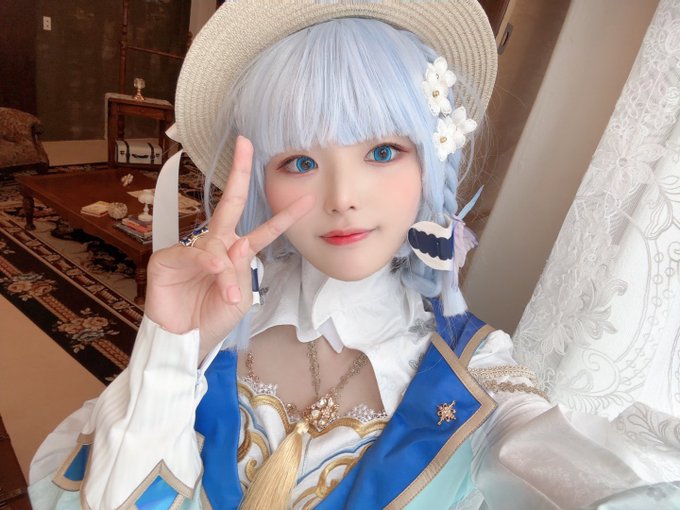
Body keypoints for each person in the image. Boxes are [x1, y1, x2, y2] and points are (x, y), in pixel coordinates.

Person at [28, 2, 674, 509]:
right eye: (300, 161)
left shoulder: (476, 372)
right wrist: (172, 346)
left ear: (431, 162)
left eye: (382, 151)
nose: (343, 198)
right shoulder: (223, 315)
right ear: (262, 180)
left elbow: (566, 470)